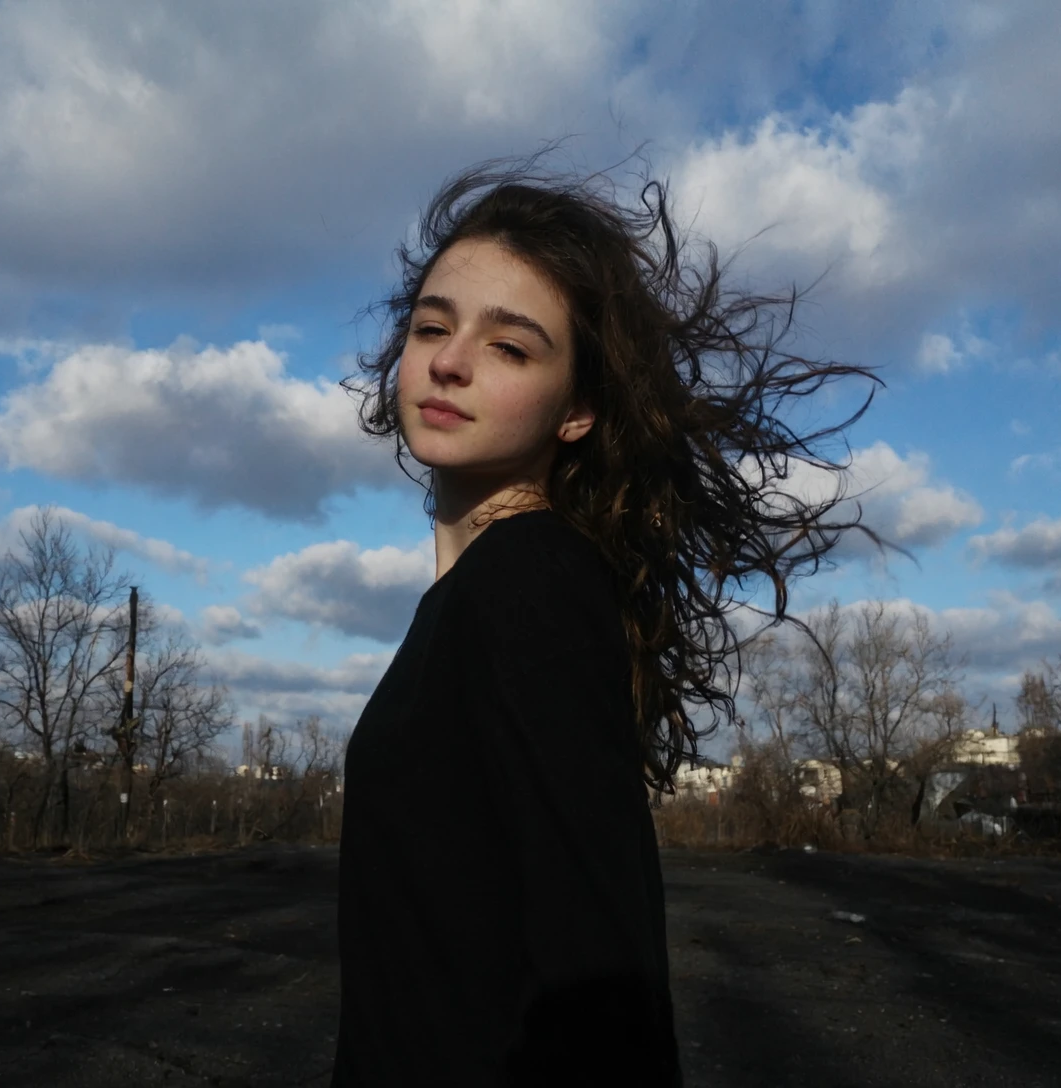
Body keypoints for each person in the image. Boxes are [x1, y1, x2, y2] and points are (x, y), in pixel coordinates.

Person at [330, 152, 878, 1086]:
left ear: (577, 410)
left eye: (510, 347)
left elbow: (602, 981)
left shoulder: (531, 582)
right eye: (432, 326)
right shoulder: (477, 596)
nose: (450, 361)